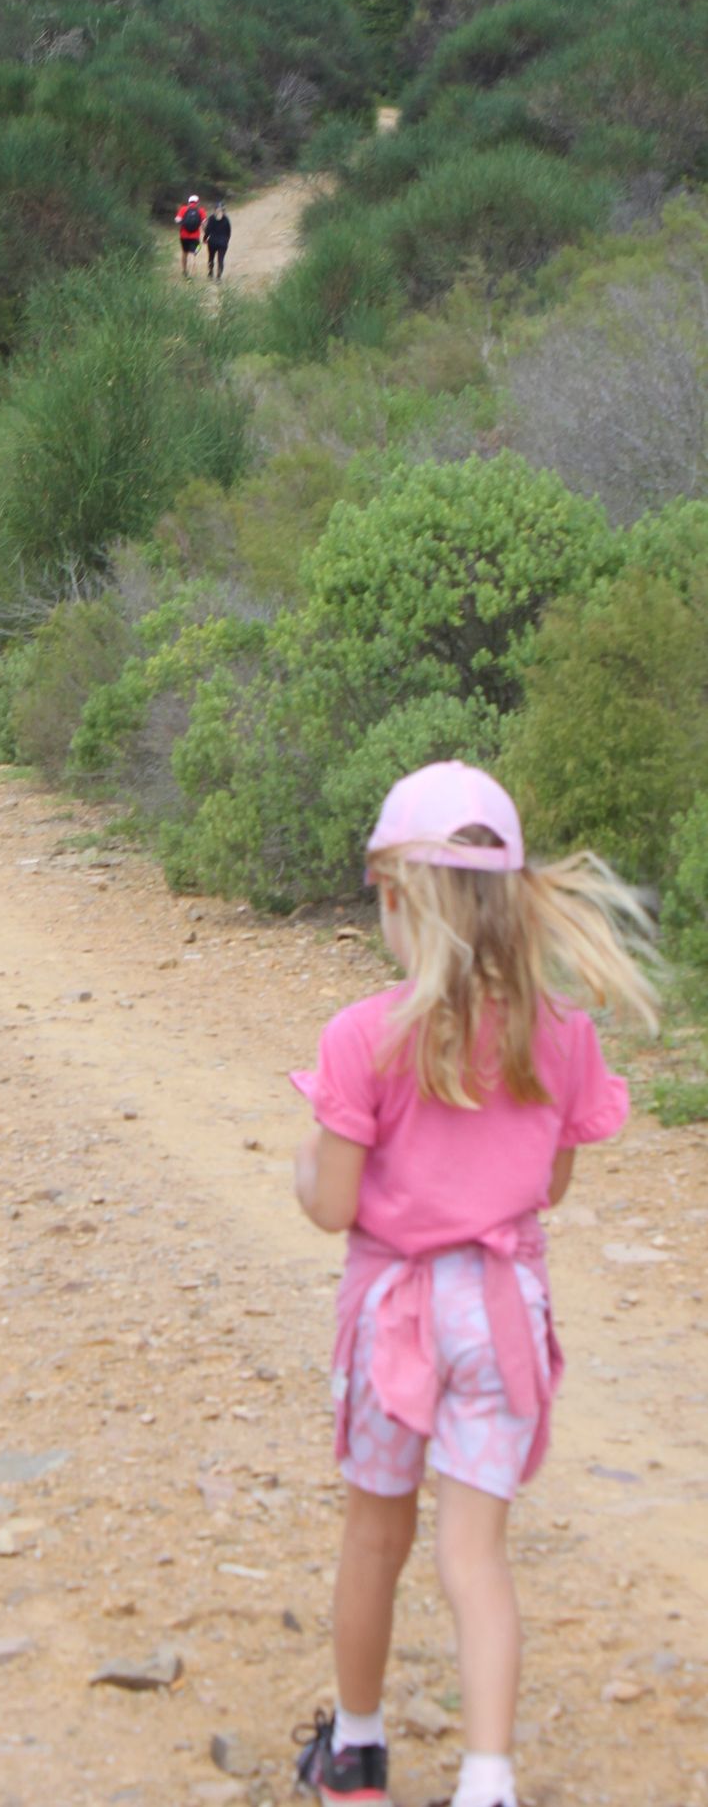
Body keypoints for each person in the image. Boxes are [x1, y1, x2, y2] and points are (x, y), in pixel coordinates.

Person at [289, 762, 656, 1807]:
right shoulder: (561, 1036)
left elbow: (333, 1205)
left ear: (399, 897)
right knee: (475, 1555)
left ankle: (356, 1752)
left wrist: (302, 1167)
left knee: (375, 1535)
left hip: (396, 1316)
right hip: (501, 1314)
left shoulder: (366, 1037)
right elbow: (548, 1182)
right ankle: (487, 1780)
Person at [174, 193, 205, 274]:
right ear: (198, 202)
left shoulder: (183, 209)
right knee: (196, 249)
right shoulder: (201, 210)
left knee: (184, 252)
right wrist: (205, 233)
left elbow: (177, 220)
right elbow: (204, 223)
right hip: (195, 236)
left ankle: (184, 270)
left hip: (183, 236)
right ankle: (193, 269)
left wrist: (183, 224)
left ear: (189, 202)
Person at [206, 200, 231, 278]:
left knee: (211, 258)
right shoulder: (226, 219)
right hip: (223, 242)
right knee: (220, 259)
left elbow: (208, 230)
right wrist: (226, 240)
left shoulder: (211, 218)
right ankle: (218, 277)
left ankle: (210, 272)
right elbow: (229, 232)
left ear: (215, 209)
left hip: (212, 242)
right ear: (224, 210)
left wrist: (205, 238)